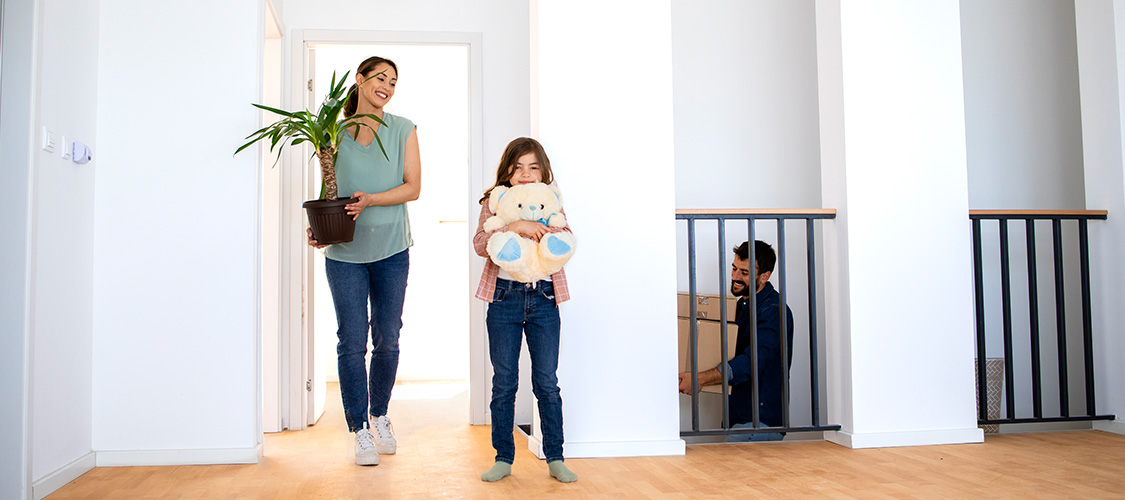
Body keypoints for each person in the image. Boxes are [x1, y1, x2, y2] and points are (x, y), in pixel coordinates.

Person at [307, 56, 421, 466]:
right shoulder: (333, 132)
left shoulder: (403, 129)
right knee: (352, 341)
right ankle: (358, 430)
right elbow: (329, 185)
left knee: (387, 339)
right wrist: (319, 228)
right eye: (379, 78)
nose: (387, 86)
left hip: (392, 248)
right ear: (359, 80)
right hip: (345, 253)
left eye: (393, 80)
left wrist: (372, 199)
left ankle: (380, 415)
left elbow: (413, 188)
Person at [473, 137, 578, 483]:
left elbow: (567, 239)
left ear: (543, 171)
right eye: (518, 167)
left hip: (544, 298)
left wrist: (547, 229)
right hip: (504, 298)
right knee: (504, 382)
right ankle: (503, 457)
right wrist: (513, 227)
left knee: (547, 382)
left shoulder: (551, 200)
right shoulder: (495, 201)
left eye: (533, 167)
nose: (525, 174)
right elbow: (479, 244)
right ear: (507, 170)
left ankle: (556, 457)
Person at [678, 240, 794, 442]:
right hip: (741, 419)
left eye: (745, 272)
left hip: (758, 423)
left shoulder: (773, 311)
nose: (735, 277)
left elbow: (751, 362)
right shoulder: (741, 307)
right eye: (734, 268)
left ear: (765, 276)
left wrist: (700, 378)